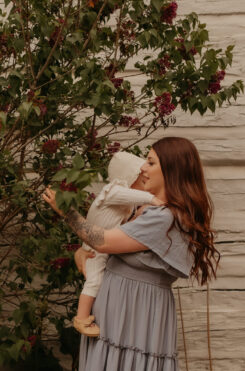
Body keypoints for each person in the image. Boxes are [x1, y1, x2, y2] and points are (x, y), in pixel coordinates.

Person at [42, 137, 220, 371]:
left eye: (150, 162)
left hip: (135, 313)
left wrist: (68, 213)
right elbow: (109, 248)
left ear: (171, 170)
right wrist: (81, 252)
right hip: (118, 308)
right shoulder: (143, 209)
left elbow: (103, 241)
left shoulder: (164, 218)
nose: (142, 168)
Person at [72, 152, 162, 338]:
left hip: (98, 247)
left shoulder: (128, 203)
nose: (145, 177)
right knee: (94, 281)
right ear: (128, 177)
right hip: (94, 250)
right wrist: (153, 200)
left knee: (96, 280)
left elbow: (119, 233)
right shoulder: (115, 191)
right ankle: (81, 318)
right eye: (140, 176)